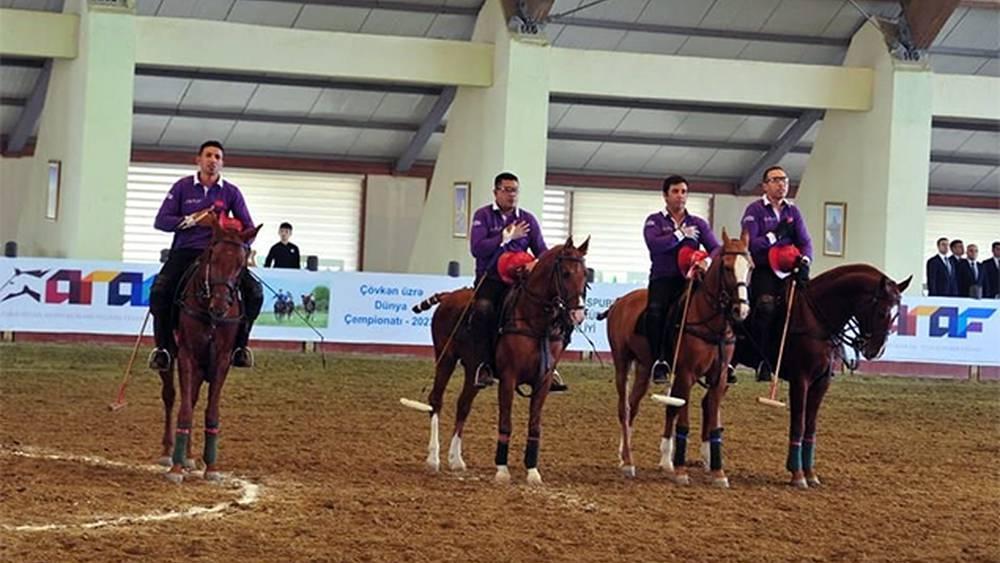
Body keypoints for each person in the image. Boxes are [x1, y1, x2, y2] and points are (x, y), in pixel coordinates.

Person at [147, 140, 263, 371]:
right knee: (160, 291)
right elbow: (161, 221)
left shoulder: (231, 192)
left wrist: (234, 241)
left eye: (217, 157)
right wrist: (193, 219)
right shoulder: (182, 187)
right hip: (186, 251)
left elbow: (249, 229)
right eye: (208, 155)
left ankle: (240, 347)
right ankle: (164, 349)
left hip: (219, 256)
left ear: (222, 163)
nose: (212, 160)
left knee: (255, 292)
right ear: (198, 160)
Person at [468, 171, 567, 392]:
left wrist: (536, 264)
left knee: (551, 310)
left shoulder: (528, 219)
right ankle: (483, 365)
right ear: (496, 192)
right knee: (483, 309)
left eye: (515, 190)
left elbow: (542, 250)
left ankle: (549, 365)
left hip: (521, 281)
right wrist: (505, 237)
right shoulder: (482, 216)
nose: (512, 195)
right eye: (507, 190)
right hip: (491, 277)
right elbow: (477, 249)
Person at [643, 175, 719, 385]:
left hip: (691, 280)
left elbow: (716, 248)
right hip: (663, 278)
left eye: (684, 192)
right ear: (665, 196)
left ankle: (723, 360)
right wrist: (678, 235)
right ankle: (659, 360)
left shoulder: (698, 223)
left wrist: (708, 262)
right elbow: (654, 245)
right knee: (656, 312)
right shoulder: (654, 221)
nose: (680, 196)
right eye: (675, 192)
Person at [740, 165, 813, 382]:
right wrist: (774, 236)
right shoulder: (754, 210)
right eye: (776, 180)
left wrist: (806, 260)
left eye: (785, 180)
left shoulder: (793, 211)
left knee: (810, 306)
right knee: (765, 306)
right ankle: (762, 359)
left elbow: (805, 241)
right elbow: (752, 244)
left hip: (791, 268)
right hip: (765, 269)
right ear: (765, 185)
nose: (782, 184)